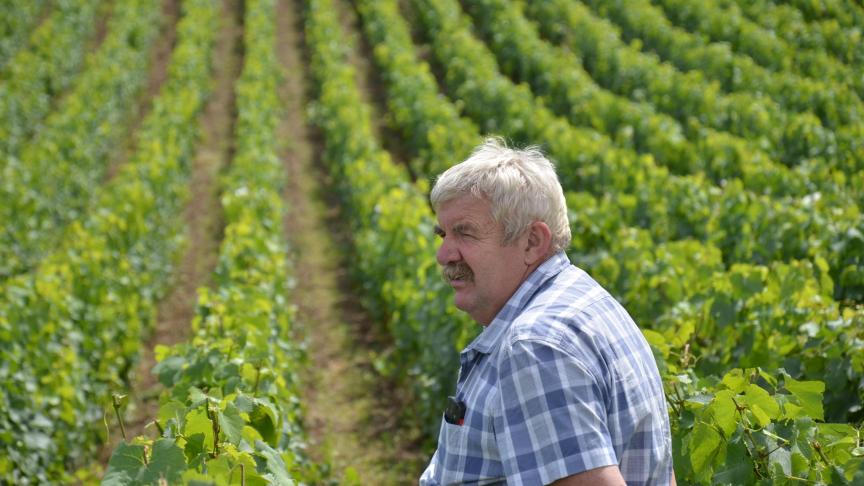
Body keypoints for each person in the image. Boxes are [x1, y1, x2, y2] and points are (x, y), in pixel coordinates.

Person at [419, 138, 674, 485]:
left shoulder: (536, 347)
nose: (444, 254)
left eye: (464, 233)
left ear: (532, 242)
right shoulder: (584, 300)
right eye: (443, 234)